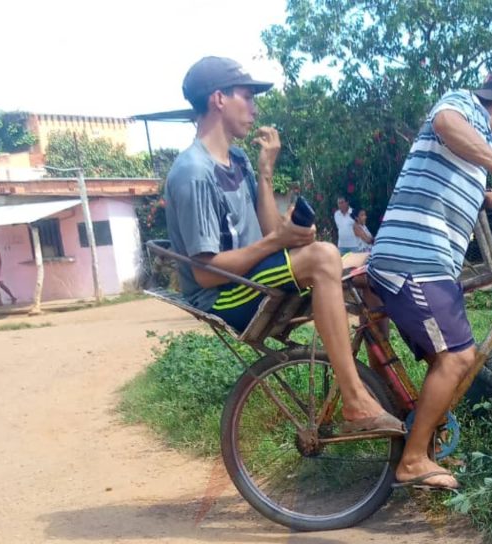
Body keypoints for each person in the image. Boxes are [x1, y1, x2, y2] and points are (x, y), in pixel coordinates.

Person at [164, 56, 403, 435]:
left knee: (370, 261)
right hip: (225, 295)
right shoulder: (194, 172)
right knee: (324, 256)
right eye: (247, 96)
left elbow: (268, 231)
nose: (255, 108)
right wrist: (280, 240)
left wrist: (266, 173)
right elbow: (205, 274)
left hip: (251, 277)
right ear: (218, 100)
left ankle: (390, 393)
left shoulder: (238, 160)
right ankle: (355, 401)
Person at [368, 68, 492, 492]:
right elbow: (447, 124)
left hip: (427, 258)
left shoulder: (474, 138)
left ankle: (424, 446)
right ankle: (411, 460)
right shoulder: (464, 106)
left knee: (443, 363)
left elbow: (447, 173)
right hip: (416, 258)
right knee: (458, 359)